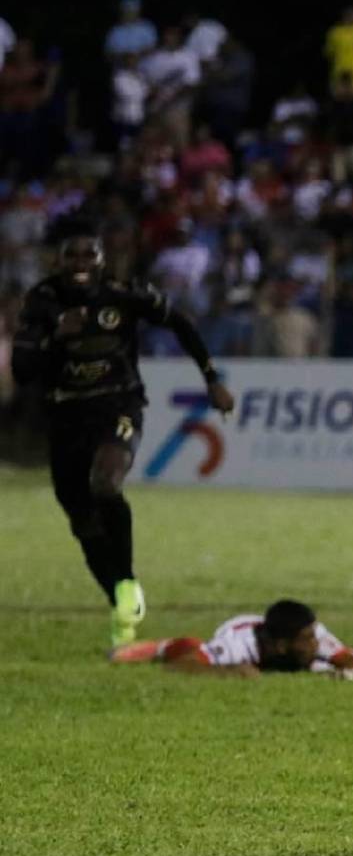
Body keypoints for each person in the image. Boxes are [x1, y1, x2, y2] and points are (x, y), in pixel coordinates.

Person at [11, 227, 235, 646]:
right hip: (65, 417)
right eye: (71, 255)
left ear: (101, 259)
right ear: (58, 261)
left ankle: (127, 582)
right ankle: (119, 600)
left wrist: (211, 379)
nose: (80, 263)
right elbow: (22, 370)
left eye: (88, 254)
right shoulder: (43, 302)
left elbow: (181, 323)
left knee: (106, 484)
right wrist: (55, 336)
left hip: (118, 406)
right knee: (83, 522)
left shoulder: (123, 294)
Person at [109, 598, 353, 676]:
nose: (315, 644)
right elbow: (182, 668)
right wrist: (228, 672)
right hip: (240, 643)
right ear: (280, 645)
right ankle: (153, 646)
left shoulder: (316, 639)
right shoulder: (239, 643)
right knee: (189, 647)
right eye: (306, 639)